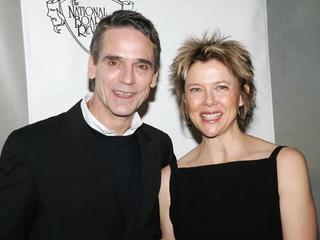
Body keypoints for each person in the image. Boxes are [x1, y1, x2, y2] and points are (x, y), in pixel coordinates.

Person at [0, 10, 176, 240]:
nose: (128, 79)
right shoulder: (31, 147)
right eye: (114, 62)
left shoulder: (160, 146)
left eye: (141, 66)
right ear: (92, 66)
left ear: (154, 77)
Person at [159, 32, 317, 239]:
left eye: (221, 87)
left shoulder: (285, 165)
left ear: (243, 95)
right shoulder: (168, 181)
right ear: (185, 101)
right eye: (196, 90)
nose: (208, 102)